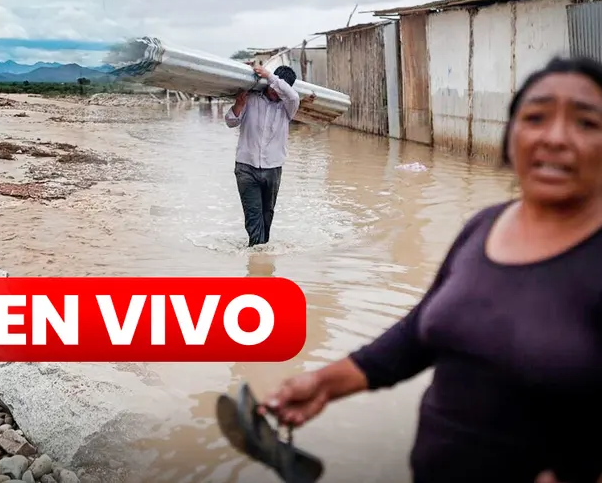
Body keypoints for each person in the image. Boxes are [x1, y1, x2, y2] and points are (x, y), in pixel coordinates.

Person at [258, 56, 602, 483]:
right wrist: (324, 384)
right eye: (536, 118)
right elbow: (420, 332)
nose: (555, 138)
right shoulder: (485, 226)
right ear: (512, 135)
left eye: (586, 123)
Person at [224, 64, 312, 246]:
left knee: (267, 214)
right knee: (253, 215)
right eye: (273, 88)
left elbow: (293, 96)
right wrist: (238, 105)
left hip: (273, 168)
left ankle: (260, 255)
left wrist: (270, 76)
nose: (275, 92)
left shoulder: (288, 107)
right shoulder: (251, 98)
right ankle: (257, 254)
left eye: (279, 89)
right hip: (246, 167)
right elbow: (230, 122)